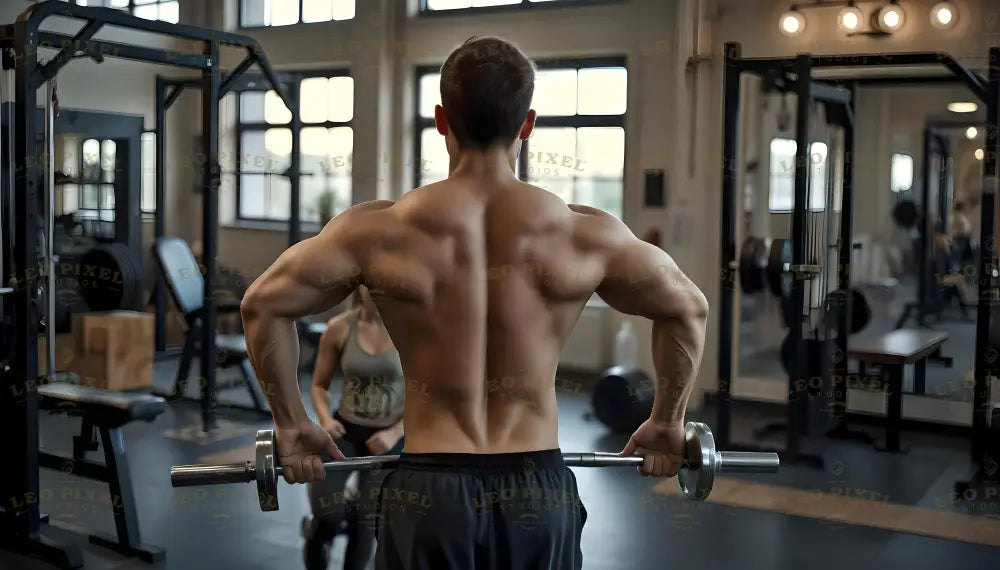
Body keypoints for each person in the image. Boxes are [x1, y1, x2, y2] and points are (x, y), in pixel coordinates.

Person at [241, 35, 709, 570]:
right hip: (539, 490)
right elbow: (687, 309)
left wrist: (290, 420)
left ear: (442, 120)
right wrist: (668, 421)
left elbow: (262, 306)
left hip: (429, 489)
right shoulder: (582, 234)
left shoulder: (380, 231)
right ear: (527, 124)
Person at [302, 285, 404, 570]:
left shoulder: (409, 329)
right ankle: (318, 532)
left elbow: (426, 392)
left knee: (367, 520)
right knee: (326, 511)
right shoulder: (339, 328)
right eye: (369, 280)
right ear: (358, 286)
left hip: (387, 438)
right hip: (344, 431)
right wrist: (325, 419)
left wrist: (395, 433)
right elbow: (319, 384)